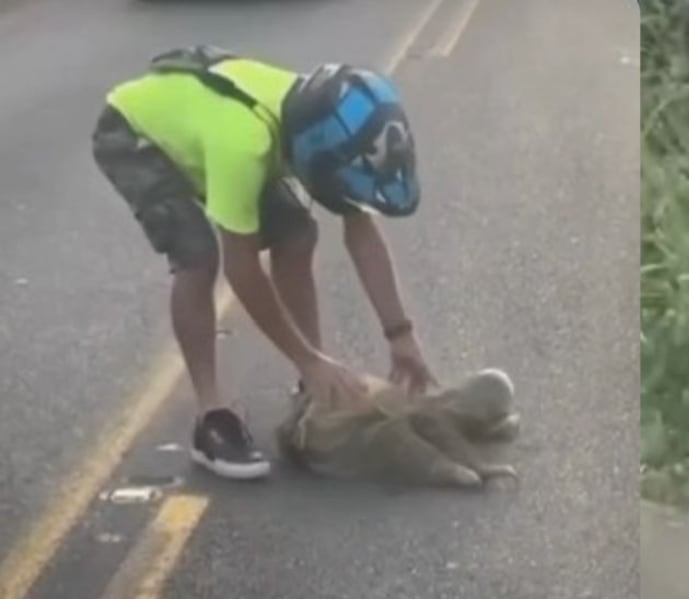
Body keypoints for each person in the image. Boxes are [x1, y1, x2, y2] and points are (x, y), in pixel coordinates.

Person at [92, 46, 435, 481]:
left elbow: (362, 236)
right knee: (197, 255)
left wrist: (401, 336)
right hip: (134, 132)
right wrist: (308, 359)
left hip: (212, 118)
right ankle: (212, 418)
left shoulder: (329, 123)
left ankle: (313, 386)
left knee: (297, 234)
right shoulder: (245, 148)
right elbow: (243, 271)